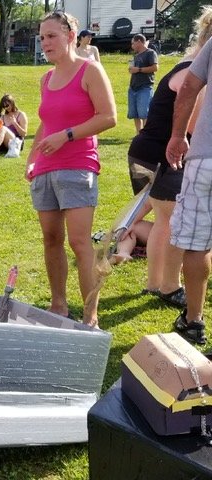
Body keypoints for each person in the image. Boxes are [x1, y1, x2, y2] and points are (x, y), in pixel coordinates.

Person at [25, 11, 117, 328]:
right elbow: (45, 123)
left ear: (70, 36)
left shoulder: (90, 71)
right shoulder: (46, 79)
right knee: (51, 239)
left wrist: (67, 136)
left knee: (79, 243)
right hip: (46, 167)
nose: (45, 43)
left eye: (51, 36)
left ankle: (90, 317)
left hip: (78, 165)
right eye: (42, 37)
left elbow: (109, 117)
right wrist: (32, 160)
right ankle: (58, 305)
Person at [128, 8, 212, 313]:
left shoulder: (187, 65)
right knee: (173, 221)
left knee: (167, 219)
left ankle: (156, 283)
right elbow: (193, 125)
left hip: (147, 150)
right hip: (159, 153)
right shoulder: (192, 70)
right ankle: (167, 285)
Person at [165, 29, 212, 346]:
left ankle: (193, 320)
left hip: (206, 158)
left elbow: (189, 88)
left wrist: (178, 135)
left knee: (196, 244)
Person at [128, 34, 158, 134]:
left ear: (139, 42)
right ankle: (138, 133)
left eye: (133, 43)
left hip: (145, 87)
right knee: (135, 113)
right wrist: (132, 70)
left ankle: (146, 133)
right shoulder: (136, 56)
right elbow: (135, 70)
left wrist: (139, 70)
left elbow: (155, 68)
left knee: (144, 113)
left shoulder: (150, 53)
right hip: (133, 87)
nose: (132, 45)